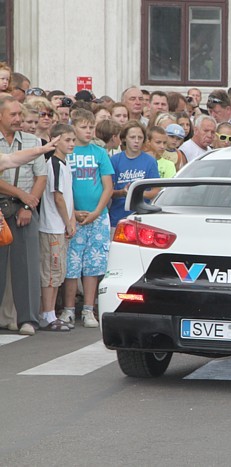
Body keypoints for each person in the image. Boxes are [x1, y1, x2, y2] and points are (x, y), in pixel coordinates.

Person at [0, 95, 51, 336]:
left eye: (20, 114)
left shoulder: (31, 140)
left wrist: (29, 206)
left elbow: (41, 176)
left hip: (26, 206)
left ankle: (28, 319)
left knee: (28, 264)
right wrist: (22, 194)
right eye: (13, 115)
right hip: (2, 206)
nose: (19, 119)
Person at [62, 108, 114, 328]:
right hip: (73, 216)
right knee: (71, 265)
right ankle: (68, 309)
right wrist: (72, 212)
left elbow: (108, 186)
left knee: (92, 266)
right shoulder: (67, 153)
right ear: (73, 127)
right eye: (83, 127)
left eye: (91, 127)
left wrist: (97, 211)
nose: (88, 131)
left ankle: (88, 309)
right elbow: (61, 188)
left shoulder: (99, 152)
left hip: (98, 217)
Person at [38, 124, 76, 331]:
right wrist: (68, 221)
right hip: (52, 224)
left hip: (60, 225)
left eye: (73, 140)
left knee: (57, 270)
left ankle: (51, 312)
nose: (71, 144)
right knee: (50, 271)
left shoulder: (64, 163)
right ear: (55, 140)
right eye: (66, 140)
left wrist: (71, 220)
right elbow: (58, 196)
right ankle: (47, 314)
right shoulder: (53, 163)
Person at [109, 121, 160, 229]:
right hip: (118, 218)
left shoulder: (150, 161)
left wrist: (135, 192)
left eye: (140, 137)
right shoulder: (114, 160)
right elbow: (108, 191)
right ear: (124, 139)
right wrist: (122, 192)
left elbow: (155, 191)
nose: (136, 141)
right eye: (132, 137)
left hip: (142, 218)